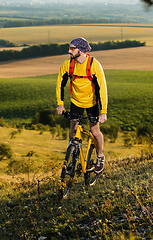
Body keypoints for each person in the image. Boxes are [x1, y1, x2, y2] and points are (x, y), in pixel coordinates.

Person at [56, 37, 108, 174]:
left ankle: (100, 156)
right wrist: (60, 105)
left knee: (95, 132)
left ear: (82, 50)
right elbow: (60, 85)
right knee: (72, 131)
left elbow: (102, 89)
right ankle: (72, 156)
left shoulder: (94, 65)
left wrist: (103, 112)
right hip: (76, 102)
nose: (69, 51)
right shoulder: (68, 65)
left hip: (92, 103)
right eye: (69, 48)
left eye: (72, 48)